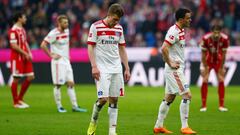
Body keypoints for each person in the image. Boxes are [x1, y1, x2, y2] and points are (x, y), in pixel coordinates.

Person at [87, 3, 130, 135]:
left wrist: (127, 68)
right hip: (102, 68)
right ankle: (93, 121)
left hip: (116, 68)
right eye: (115, 19)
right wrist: (94, 66)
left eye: (118, 20)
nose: (116, 22)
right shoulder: (95, 27)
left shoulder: (119, 29)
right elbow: (90, 47)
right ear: (109, 14)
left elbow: (122, 48)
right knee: (103, 99)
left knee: (114, 99)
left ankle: (112, 131)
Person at [153, 8, 196, 134]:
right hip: (174, 69)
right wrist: (170, 62)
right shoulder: (174, 31)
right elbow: (164, 48)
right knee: (187, 95)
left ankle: (158, 126)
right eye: (188, 18)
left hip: (176, 68)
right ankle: (184, 127)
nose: (190, 20)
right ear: (181, 19)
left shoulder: (181, 30)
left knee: (169, 97)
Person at [40, 15, 87, 113]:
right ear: (59, 23)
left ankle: (75, 106)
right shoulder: (53, 33)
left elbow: (66, 45)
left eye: (67, 22)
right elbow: (43, 45)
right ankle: (59, 106)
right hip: (58, 62)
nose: (67, 24)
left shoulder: (67, 31)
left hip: (66, 61)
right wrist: (50, 55)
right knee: (58, 85)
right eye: (65, 22)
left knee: (71, 83)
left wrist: (67, 54)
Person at [199, 24, 229, 112]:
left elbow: (224, 55)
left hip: (218, 61)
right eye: (215, 32)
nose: (216, 35)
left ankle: (221, 105)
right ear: (211, 32)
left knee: (221, 79)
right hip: (207, 60)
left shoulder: (225, 39)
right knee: (205, 79)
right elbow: (203, 55)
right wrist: (204, 66)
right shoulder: (205, 38)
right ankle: (203, 105)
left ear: (220, 32)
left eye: (218, 33)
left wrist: (222, 67)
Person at [8, 12, 34, 109]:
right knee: (16, 79)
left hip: (25, 56)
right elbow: (14, 46)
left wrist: (29, 52)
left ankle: (20, 98)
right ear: (19, 19)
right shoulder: (13, 30)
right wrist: (25, 53)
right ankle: (15, 102)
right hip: (17, 57)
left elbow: (25, 42)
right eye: (24, 17)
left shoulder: (22, 29)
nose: (26, 18)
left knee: (31, 77)